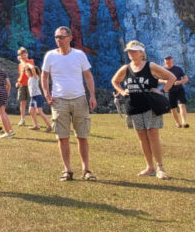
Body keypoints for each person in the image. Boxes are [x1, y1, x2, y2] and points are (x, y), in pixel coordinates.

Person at [111, 41, 176, 179]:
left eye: (134, 51)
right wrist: (122, 92)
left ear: (141, 52)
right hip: (134, 106)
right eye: (129, 51)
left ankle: (160, 167)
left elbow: (172, 77)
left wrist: (162, 90)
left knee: (153, 134)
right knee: (142, 136)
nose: (131, 53)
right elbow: (115, 81)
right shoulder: (126, 68)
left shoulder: (150, 66)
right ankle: (150, 167)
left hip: (150, 106)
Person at [41, 26, 97, 182]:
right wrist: (47, 94)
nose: (59, 40)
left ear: (70, 38)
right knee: (62, 137)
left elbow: (88, 76)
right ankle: (67, 170)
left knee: (82, 136)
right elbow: (44, 76)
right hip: (59, 101)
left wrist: (92, 95)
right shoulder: (50, 56)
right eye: (56, 37)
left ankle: (86, 169)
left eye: (62, 37)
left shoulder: (79, 55)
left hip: (79, 98)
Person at [25, 63, 53, 131]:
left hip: (38, 96)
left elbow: (32, 68)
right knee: (31, 111)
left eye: (27, 72)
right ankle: (36, 125)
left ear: (31, 72)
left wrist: (28, 64)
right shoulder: (30, 79)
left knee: (39, 112)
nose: (26, 73)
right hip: (33, 97)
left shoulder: (35, 77)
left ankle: (50, 126)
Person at [163, 56, 189, 128]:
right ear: (164, 61)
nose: (168, 61)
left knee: (182, 105)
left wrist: (180, 82)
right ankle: (178, 123)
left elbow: (186, 79)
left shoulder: (178, 69)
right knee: (173, 108)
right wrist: (164, 81)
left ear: (172, 60)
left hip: (179, 89)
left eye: (169, 59)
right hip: (169, 91)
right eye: (166, 59)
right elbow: (158, 79)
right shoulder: (162, 69)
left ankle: (184, 122)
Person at [15, 47, 33, 126]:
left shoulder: (31, 61)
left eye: (24, 54)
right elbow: (21, 74)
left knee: (33, 103)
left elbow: (27, 67)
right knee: (22, 103)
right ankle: (22, 119)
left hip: (30, 85)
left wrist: (21, 60)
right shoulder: (20, 64)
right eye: (21, 55)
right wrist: (18, 82)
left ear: (27, 54)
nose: (23, 56)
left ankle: (35, 121)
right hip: (22, 85)